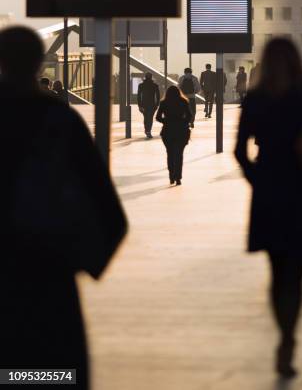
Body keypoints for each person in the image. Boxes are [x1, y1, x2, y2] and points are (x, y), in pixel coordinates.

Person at [0, 26, 127, 390]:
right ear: (40, 62)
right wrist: (81, 261)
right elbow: (109, 211)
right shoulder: (60, 122)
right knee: (54, 373)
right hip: (49, 279)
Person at [234, 38, 302, 379]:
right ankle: (291, 334)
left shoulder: (256, 100)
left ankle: (284, 334)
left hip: (269, 194)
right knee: (298, 272)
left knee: (277, 272)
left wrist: (256, 179)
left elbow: (239, 151)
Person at [156, 85, 191, 186]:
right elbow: (189, 116)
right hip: (181, 131)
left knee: (170, 154)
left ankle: (171, 176)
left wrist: (166, 121)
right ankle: (178, 177)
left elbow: (158, 117)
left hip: (168, 131)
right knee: (179, 155)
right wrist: (183, 122)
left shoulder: (164, 102)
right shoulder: (184, 102)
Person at [137, 72, 161, 139]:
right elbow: (158, 96)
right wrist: (157, 104)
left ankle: (147, 130)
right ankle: (148, 131)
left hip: (144, 104)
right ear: (151, 77)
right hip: (152, 104)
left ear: (145, 77)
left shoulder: (141, 85)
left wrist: (139, 105)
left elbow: (139, 96)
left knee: (145, 117)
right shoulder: (155, 85)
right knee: (150, 118)